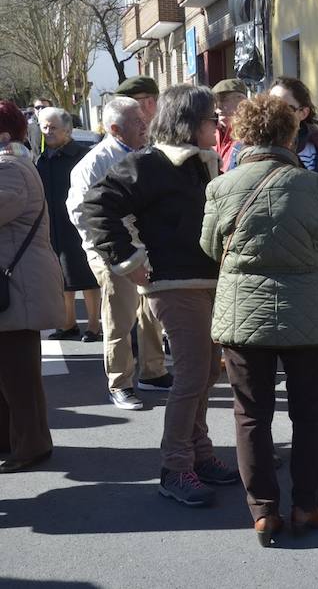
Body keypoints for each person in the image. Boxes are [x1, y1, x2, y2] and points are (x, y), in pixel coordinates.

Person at [200, 93, 318, 546]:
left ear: (243, 134)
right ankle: (306, 505)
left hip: (242, 314)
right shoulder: (312, 186)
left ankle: (263, 512)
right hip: (305, 311)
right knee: (308, 414)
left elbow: (209, 247)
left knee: (251, 414)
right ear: (290, 134)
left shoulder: (222, 186)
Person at [82, 84, 239, 507]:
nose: (219, 123)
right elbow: (95, 208)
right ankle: (174, 468)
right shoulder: (148, 164)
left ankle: (199, 454)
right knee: (191, 373)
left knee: (206, 371)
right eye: (211, 118)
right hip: (173, 284)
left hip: (205, 282)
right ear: (190, 123)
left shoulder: (203, 164)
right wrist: (128, 261)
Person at [66, 96, 171, 410]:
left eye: (143, 118)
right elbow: (82, 213)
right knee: (120, 317)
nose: (144, 125)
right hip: (111, 251)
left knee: (152, 311)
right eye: (136, 122)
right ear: (115, 128)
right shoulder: (94, 162)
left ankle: (153, 371)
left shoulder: (145, 153)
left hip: (145, 246)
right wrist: (112, 256)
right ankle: (119, 383)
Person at [0, 100, 64, 473]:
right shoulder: (13, 163)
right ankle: (13, 440)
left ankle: (32, 446)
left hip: (18, 285)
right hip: (16, 282)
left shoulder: (9, 168)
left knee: (19, 378)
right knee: (10, 374)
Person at [36, 107, 101, 342]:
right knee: (61, 278)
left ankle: (94, 326)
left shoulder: (82, 155)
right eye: (44, 127)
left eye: (53, 127)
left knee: (87, 277)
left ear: (67, 130)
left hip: (80, 225)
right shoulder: (43, 158)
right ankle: (68, 323)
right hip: (53, 226)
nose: (48, 131)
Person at [269, 77, 318, 189]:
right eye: (270, 106)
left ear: (303, 113)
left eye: (284, 108)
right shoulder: (252, 147)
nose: (274, 113)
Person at [212, 78, 248, 171]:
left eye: (224, 100)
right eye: (215, 101)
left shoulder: (249, 135)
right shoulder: (211, 134)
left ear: (242, 102)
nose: (218, 107)